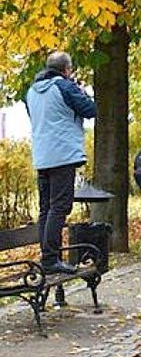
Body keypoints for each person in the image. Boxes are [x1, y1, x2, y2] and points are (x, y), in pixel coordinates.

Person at [24, 51, 96, 274]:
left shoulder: (31, 92)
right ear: (66, 70)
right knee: (60, 206)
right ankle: (50, 259)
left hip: (42, 156)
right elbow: (90, 110)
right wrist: (82, 92)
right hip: (63, 155)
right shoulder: (65, 87)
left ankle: (47, 256)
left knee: (46, 208)